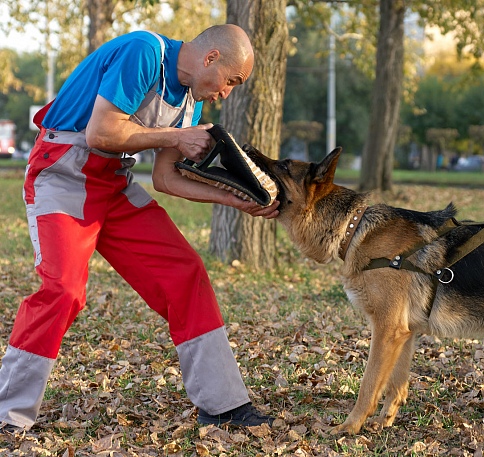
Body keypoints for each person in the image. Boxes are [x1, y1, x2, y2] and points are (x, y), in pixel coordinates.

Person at [0, 24, 280, 433]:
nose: (227, 93)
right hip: (62, 174)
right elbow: (100, 132)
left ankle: (223, 406)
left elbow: (166, 179)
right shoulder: (144, 51)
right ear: (211, 58)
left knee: (186, 273)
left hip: (115, 184)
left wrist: (236, 201)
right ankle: (8, 414)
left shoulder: (189, 106)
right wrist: (176, 136)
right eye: (231, 82)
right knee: (63, 290)